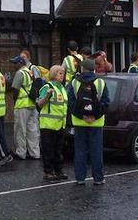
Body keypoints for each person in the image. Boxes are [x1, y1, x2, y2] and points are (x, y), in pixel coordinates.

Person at [67, 58, 110, 186]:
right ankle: (98, 178)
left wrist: (82, 116)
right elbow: (106, 103)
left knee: (80, 151)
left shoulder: (74, 82)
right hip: (96, 123)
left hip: (79, 123)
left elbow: (71, 103)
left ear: (82, 69)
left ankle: (80, 178)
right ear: (94, 69)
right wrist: (95, 116)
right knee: (96, 151)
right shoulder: (100, 83)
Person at [37, 65, 68, 181]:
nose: (62, 75)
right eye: (60, 73)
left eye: (63, 73)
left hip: (60, 125)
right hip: (48, 125)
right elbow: (39, 105)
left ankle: (58, 170)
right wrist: (47, 96)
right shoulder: (47, 87)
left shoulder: (62, 88)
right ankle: (48, 172)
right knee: (48, 150)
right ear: (53, 74)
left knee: (58, 150)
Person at [9, 54, 40, 160]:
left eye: (15, 63)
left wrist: (15, 101)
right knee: (32, 130)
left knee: (20, 130)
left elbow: (16, 90)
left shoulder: (20, 73)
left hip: (22, 105)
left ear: (20, 63)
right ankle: (35, 153)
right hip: (31, 104)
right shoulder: (30, 71)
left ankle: (21, 153)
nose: (14, 65)